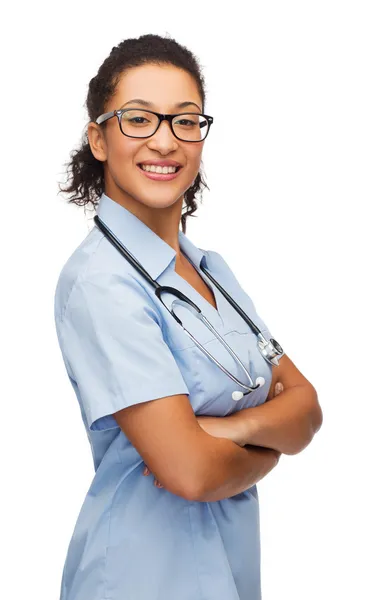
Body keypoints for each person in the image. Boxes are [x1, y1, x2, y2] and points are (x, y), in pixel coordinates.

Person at [54, 33, 323, 600]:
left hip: (227, 572)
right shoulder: (101, 282)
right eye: (138, 119)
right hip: (139, 578)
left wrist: (229, 431)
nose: (165, 141)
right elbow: (191, 473)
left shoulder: (212, 269)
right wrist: (270, 444)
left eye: (185, 121)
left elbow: (307, 409)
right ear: (99, 139)